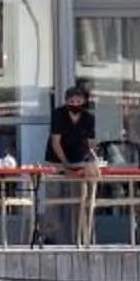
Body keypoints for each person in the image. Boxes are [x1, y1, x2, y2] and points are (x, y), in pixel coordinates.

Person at [42, 79, 98, 245]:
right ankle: (52, 238)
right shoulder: (58, 114)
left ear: (84, 102)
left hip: (78, 161)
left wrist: (89, 157)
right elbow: (55, 141)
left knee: (78, 199)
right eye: (71, 102)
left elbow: (91, 142)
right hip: (55, 160)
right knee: (53, 199)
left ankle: (78, 237)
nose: (75, 105)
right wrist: (64, 162)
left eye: (78, 101)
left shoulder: (88, 118)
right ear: (66, 102)